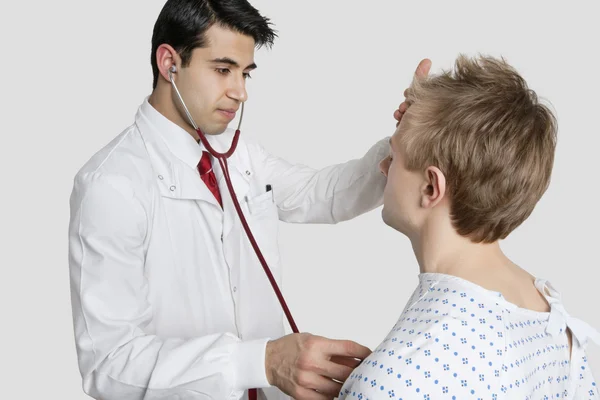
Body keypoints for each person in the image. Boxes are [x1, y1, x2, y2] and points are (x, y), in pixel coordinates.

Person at [67, 0, 428, 399]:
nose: (240, 92)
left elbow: (323, 196)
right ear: (169, 63)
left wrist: (402, 142)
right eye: (223, 70)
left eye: (245, 74)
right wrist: (260, 362)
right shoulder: (111, 185)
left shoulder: (238, 154)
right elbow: (110, 367)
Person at [338, 54, 600, 399]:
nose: (383, 168)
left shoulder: (400, 375)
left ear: (431, 187)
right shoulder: (549, 316)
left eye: (394, 156)